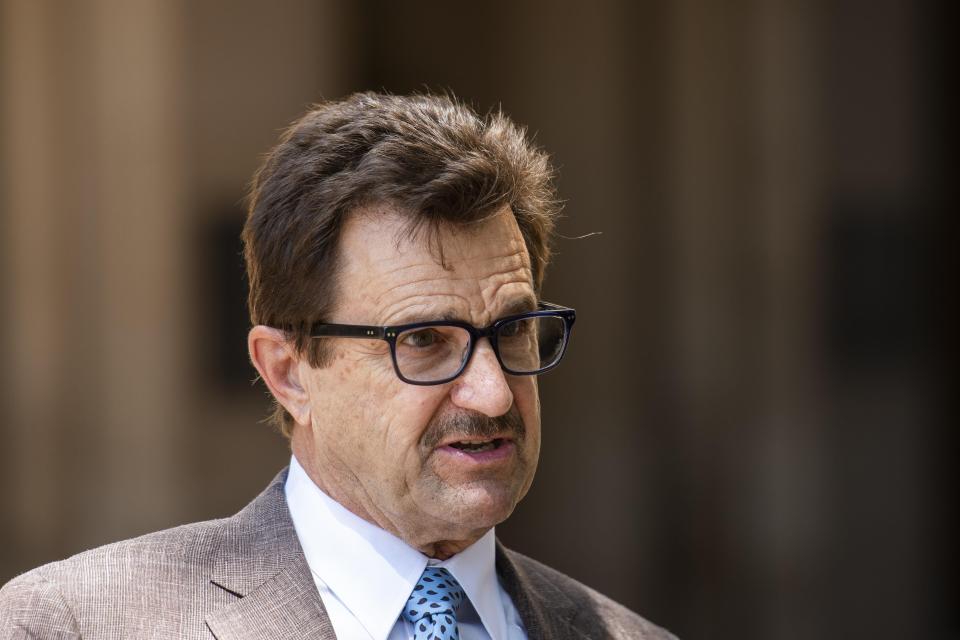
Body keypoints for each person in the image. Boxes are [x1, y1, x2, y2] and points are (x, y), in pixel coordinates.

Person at [0, 92, 675, 639]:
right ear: (289, 371)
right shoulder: (74, 624)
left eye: (513, 331)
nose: (494, 394)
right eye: (423, 341)